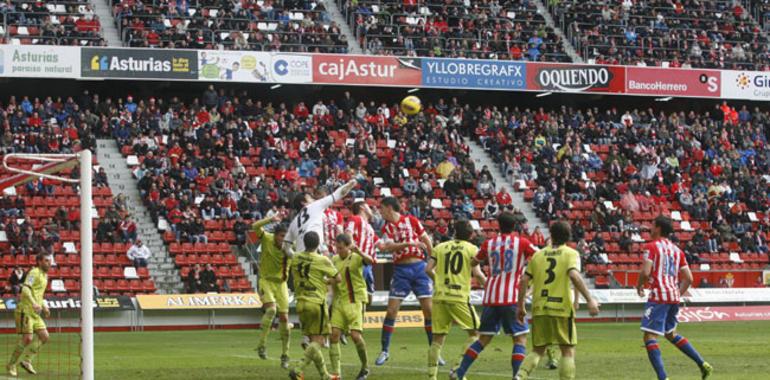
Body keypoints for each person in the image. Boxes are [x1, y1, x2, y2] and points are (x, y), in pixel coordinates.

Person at [450, 212, 538, 380]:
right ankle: (517, 376)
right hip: (511, 297)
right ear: (514, 227)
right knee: (520, 339)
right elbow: (538, 256)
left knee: (483, 339)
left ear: (498, 225)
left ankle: (459, 373)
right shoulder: (522, 243)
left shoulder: (489, 244)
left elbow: (474, 262)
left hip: (491, 296)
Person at [515, 221, 600, 380]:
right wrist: (590, 300)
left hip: (540, 307)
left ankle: (520, 376)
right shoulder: (571, 253)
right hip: (561, 308)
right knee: (567, 350)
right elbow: (574, 275)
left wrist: (520, 306)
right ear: (568, 236)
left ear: (551, 235)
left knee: (537, 350)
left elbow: (523, 280)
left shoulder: (538, 255)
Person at [637, 216, 713, 380]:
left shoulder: (651, 247)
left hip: (658, 296)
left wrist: (639, 286)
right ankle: (702, 364)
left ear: (657, 228)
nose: (650, 228)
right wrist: (677, 293)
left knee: (649, 336)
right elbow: (689, 278)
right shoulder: (677, 251)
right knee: (670, 334)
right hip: (673, 296)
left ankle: (663, 378)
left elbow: (645, 272)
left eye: (652, 225)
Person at [375, 196, 437, 366]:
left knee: (429, 311)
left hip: (419, 269)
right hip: (400, 271)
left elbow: (426, 241)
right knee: (391, 311)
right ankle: (385, 350)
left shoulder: (411, 220)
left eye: (382, 208)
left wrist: (432, 262)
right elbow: (389, 247)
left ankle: (435, 351)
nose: (380, 212)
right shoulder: (386, 228)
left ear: (389, 208)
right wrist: (409, 243)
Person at [426, 220, 487, 380]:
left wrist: (438, 280)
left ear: (454, 232)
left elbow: (428, 269)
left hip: (439, 296)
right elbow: (478, 275)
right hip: (459, 296)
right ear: (471, 235)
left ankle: (432, 377)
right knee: (477, 334)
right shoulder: (472, 249)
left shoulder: (439, 247)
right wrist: (492, 288)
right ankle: (456, 369)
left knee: (437, 338)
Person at [288, 232, 341, 380]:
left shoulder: (296, 257)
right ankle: (298, 369)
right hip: (315, 303)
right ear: (318, 244)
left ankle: (325, 375)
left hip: (300, 303)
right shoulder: (322, 260)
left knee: (312, 342)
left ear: (304, 243)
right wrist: (324, 281)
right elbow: (338, 278)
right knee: (319, 342)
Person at [329, 233, 374, 380]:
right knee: (334, 335)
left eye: (341, 248)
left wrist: (359, 251)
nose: (338, 250)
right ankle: (336, 374)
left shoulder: (356, 257)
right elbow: (333, 279)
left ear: (348, 246)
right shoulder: (334, 259)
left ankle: (365, 367)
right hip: (339, 302)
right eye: (337, 247)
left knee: (355, 336)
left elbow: (371, 261)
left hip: (354, 300)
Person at [253, 214, 292, 369]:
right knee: (271, 310)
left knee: (284, 319)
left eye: (285, 236)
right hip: (266, 281)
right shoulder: (267, 238)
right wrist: (270, 219)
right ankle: (262, 344)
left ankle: (285, 355)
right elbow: (255, 226)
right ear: (275, 235)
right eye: (281, 236)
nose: (283, 239)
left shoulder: (289, 248)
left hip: (281, 284)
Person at [283, 180, 358, 258]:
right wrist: (350, 185)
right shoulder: (315, 206)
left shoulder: (293, 223)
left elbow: (285, 248)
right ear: (303, 202)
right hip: (317, 256)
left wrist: (295, 257)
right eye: (310, 198)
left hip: (301, 261)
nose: (313, 199)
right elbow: (339, 194)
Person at [7, 253, 52, 376]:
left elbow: (39, 294)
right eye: (46, 261)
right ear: (39, 262)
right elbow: (26, 289)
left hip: (35, 312)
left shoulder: (45, 276)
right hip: (25, 310)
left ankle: (27, 361)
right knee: (28, 338)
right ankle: (11, 364)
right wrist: (33, 303)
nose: (49, 263)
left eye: (50, 261)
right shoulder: (34, 272)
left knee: (45, 337)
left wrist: (44, 306)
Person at [345, 201, 379, 303]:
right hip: (358, 262)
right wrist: (352, 248)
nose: (371, 209)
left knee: (369, 297)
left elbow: (381, 245)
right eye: (368, 206)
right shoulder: (355, 218)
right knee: (355, 294)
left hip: (368, 263)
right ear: (362, 207)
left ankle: (363, 316)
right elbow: (348, 233)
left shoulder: (369, 227)